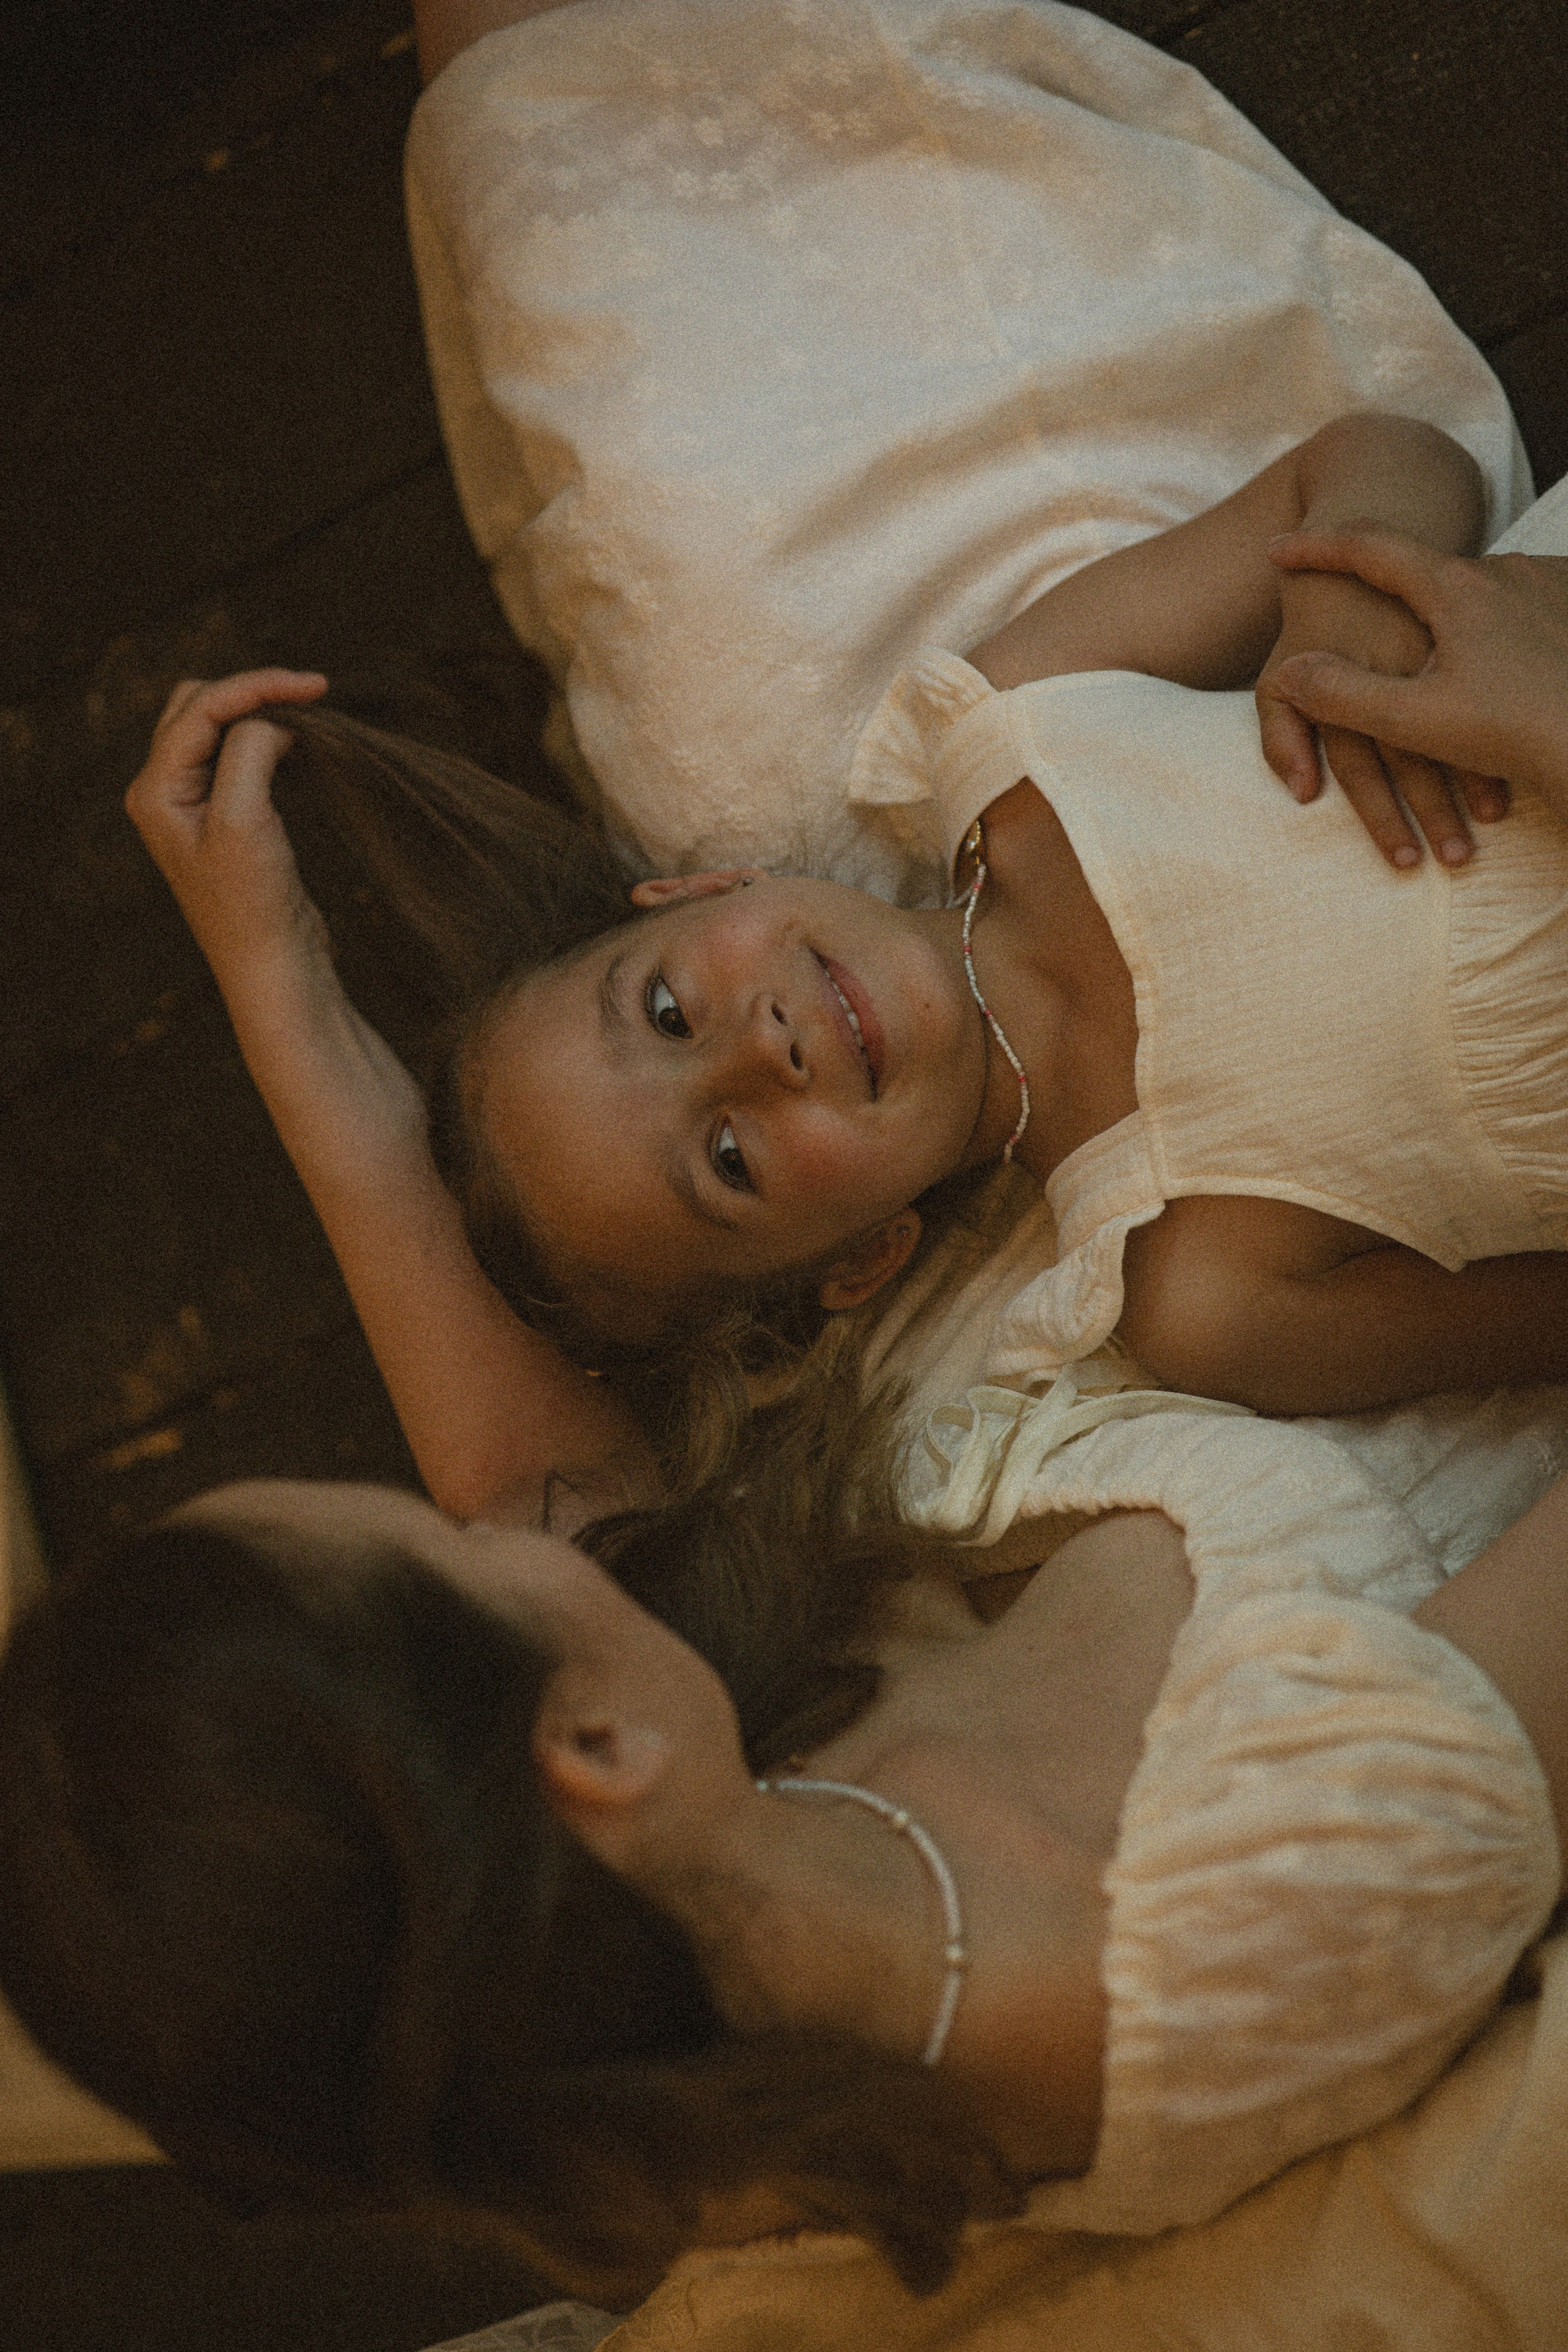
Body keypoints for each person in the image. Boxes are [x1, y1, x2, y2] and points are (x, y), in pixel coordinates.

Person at [127, 409, 1568, 1526]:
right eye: (734, 1157)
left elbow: (1379, 460)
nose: (758, 1048)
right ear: (866, 1260)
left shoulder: (1012, 730)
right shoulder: (1205, 1289)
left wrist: (1353, 604)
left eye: (669, 1007)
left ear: (710, 887)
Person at [0, 1379, 1561, 2299]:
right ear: (593, 1749)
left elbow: (541, 1460)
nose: (515, 1528)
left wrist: (272, 958)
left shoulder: (730, 1841)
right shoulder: (1234, 1919)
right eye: (462, 1544)